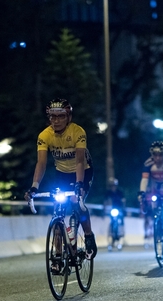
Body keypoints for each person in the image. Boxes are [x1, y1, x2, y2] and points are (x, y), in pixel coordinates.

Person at [24, 98, 97, 264]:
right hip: (62, 173)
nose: (55, 121)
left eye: (60, 117)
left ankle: (88, 236)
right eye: (52, 117)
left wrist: (79, 184)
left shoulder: (78, 132)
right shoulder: (44, 135)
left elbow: (79, 161)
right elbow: (41, 163)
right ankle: (57, 255)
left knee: (77, 202)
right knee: (58, 212)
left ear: (68, 117)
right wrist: (34, 187)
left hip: (83, 171)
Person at [137, 141, 163, 230]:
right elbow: (144, 180)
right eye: (155, 155)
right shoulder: (148, 164)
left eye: (161, 155)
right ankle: (159, 226)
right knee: (153, 205)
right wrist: (142, 192)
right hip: (157, 189)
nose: (158, 158)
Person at [104, 178, 126, 250]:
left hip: (119, 209)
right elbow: (105, 201)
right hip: (112, 210)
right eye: (112, 186)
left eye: (114, 185)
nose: (113, 187)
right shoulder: (108, 193)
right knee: (111, 223)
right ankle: (110, 239)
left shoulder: (120, 192)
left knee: (121, 222)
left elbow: (123, 201)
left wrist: (123, 209)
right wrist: (104, 209)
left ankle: (121, 237)